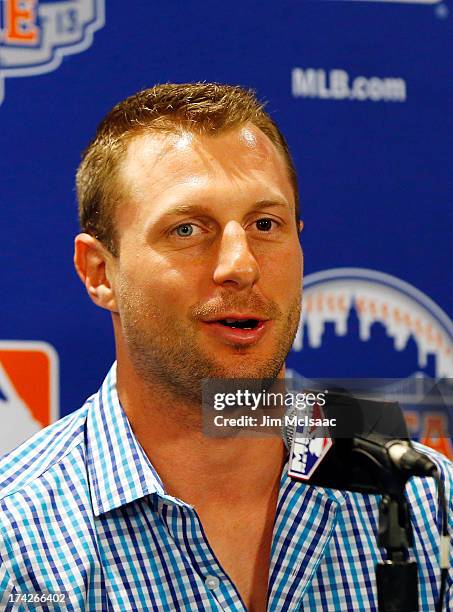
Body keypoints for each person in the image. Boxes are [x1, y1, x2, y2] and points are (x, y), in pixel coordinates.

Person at [0, 82, 451, 611]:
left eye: (265, 224)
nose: (241, 265)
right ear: (100, 272)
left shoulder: (421, 497)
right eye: (188, 229)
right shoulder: (17, 539)